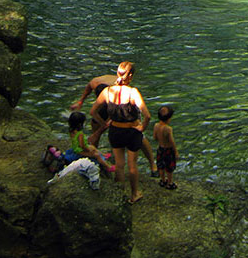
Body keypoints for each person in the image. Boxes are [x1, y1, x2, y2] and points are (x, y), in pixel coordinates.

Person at [70, 73, 158, 176]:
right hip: (109, 104)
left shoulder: (116, 91)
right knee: (95, 126)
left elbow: (115, 116)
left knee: (140, 137)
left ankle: (152, 164)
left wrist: (99, 131)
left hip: (125, 108)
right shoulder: (95, 83)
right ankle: (94, 159)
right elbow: (89, 89)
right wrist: (81, 101)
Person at [90, 61, 152, 204]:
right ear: (130, 76)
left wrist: (104, 124)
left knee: (119, 165)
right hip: (131, 132)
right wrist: (143, 127)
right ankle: (134, 193)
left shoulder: (108, 91)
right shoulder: (132, 92)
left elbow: (93, 111)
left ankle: (118, 194)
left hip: (115, 131)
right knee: (132, 165)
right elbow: (147, 115)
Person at [153, 105, 178, 190]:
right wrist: (176, 151)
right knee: (169, 168)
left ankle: (163, 180)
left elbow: (154, 137)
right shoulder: (168, 129)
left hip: (160, 149)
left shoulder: (156, 126)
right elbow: (172, 141)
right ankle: (170, 183)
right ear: (168, 118)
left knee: (161, 166)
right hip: (168, 150)